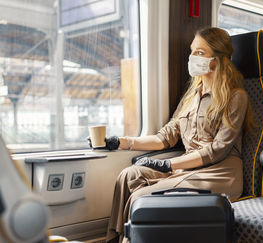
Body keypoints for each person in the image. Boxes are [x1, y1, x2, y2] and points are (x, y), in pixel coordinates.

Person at [106, 27, 253, 243]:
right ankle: (118, 238)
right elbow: (165, 137)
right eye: (192, 51)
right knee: (128, 175)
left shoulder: (236, 97)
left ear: (217, 59)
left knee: (141, 197)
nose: (192, 57)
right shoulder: (191, 96)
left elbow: (218, 150)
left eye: (200, 53)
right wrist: (121, 142)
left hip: (219, 173)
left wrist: (169, 165)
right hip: (188, 168)